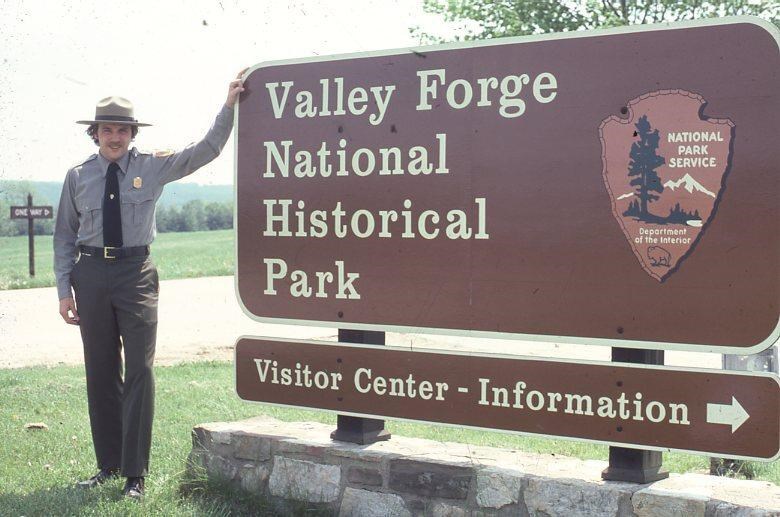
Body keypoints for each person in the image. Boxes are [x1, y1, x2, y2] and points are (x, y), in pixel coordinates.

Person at [53, 70, 246, 499]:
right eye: (108, 129)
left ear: (132, 133)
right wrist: (64, 290)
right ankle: (108, 465)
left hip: (135, 274)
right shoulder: (77, 176)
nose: (115, 137)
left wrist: (228, 106)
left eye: (123, 129)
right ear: (95, 133)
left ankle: (135, 474)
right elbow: (65, 235)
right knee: (100, 371)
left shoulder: (152, 167)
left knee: (139, 368)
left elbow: (206, 150)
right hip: (89, 274)